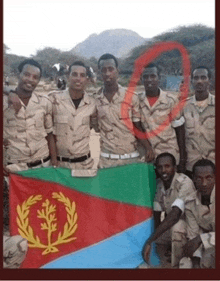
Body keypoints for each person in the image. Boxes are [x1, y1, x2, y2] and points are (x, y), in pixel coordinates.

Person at [93, 53, 154, 168]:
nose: (107, 73)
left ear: (117, 71)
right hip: (107, 161)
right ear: (99, 73)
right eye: (103, 70)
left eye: (110, 69)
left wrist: (148, 147)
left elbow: (137, 127)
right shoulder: (94, 100)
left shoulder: (131, 97)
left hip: (130, 159)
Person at [142, 152, 196, 268]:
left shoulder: (184, 182)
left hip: (191, 227)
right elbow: (157, 214)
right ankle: (165, 263)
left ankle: (177, 265)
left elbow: (175, 215)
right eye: (160, 167)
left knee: (176, 228)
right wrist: (152, 240)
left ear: (174, 168)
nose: (163, 170)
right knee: (156, 240)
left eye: (167, 166)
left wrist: (150, 240)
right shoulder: (160, 185)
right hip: (172, 225)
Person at [3, 59, 56, 175]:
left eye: (35, 77)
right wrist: (8, 91)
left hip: (43, 165)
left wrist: (54, 161)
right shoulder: (4, 102)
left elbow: (50, 134)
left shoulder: (44, 102)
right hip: (16, 168)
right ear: (19, 74)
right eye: (27, 75)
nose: (30, 80)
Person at [49, 61, 96, 170]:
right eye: (74, 74)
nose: (78, 78)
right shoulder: (53, 99)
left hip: (84, 165)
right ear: (68, 77)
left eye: (82, 75)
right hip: (60, 166)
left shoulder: (92, 103)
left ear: (87, 79)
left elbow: (94, 125)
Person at [138, 64, 186, 172]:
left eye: (153, 76)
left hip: (169, 156)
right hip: (147, 157)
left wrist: (182, 160)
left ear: (159, 78)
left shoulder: (171, 101)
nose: (149, 80)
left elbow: (180, 130)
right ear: (141, 79)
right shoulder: (136, 101)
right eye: (145, 77)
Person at [179, 159, 215, 268]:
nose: (204, 184)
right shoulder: (190, 202)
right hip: (208, 243)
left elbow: (197, 239)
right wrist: (195, 262)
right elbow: (193, 235)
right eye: (199, 178)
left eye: (208, 178)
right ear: (193, 178)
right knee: (185, 265)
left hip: (210, 241)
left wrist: (200, 238)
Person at [182, 66, 215, 178]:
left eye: (203, 77)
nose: (199, 81)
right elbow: (180, 135)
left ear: (209, 80)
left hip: (214, 164)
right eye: (196, 78)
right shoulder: (184, 106)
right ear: (192, 81)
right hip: (192, 165)